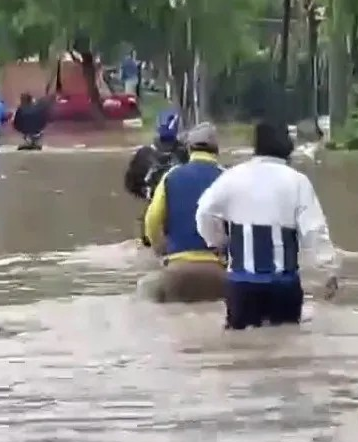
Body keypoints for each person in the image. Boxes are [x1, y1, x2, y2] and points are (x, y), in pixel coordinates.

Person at [195, 121, 335, 329]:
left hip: (242, 285)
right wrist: (328, 271)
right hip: (283, 285)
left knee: (239, 351)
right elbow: (314, 231)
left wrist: (216, 242)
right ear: (288, 146)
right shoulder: (297, 182)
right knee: (286, 349)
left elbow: (204, 211)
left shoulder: (232, 177)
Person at [143, 122, 226, 303]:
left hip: (178, 268)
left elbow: (151, 221)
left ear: (188, 148)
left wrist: (160, 250)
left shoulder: (171, 176)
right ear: (216, 150)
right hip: (218, 271)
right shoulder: (228, 177)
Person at [124, 108, 189, 247]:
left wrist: (147, 194)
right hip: (180, 217)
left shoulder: (143, 154)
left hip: (152, 214)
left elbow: (130, 184)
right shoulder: (185, 153)